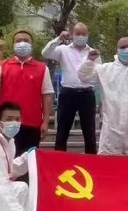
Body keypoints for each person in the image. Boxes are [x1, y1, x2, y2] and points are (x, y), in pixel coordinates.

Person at [77, 36, 128, 156]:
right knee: (109, 162)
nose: (126, 50)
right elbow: (84, 77)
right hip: (112, 128)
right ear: (117, 49)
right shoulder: (105, 69)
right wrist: (89, 61)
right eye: (123, 47)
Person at [0, 31, 55, 156]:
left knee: (27, 160)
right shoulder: (4, 65)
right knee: (6, 158)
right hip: (7, 123)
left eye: (26, 40)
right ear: (13, 45)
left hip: (32, 123)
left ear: (31, 44)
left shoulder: (42, 68)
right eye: (18, 41)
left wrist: (45, 122)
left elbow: (47, 96)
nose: (22, 43)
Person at [42, 22, 99, 153]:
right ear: (72, 34)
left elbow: (97, 73)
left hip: (87, 93)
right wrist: (59, 39)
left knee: (89, 131)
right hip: (67, 93)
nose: (80, 36)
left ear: (88, 35)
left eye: (83, 34)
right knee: (62, 130)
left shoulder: (93, 52)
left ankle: (91, 160)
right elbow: (45, 53)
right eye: (77, 33)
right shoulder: (63, 50)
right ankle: (59, 159)